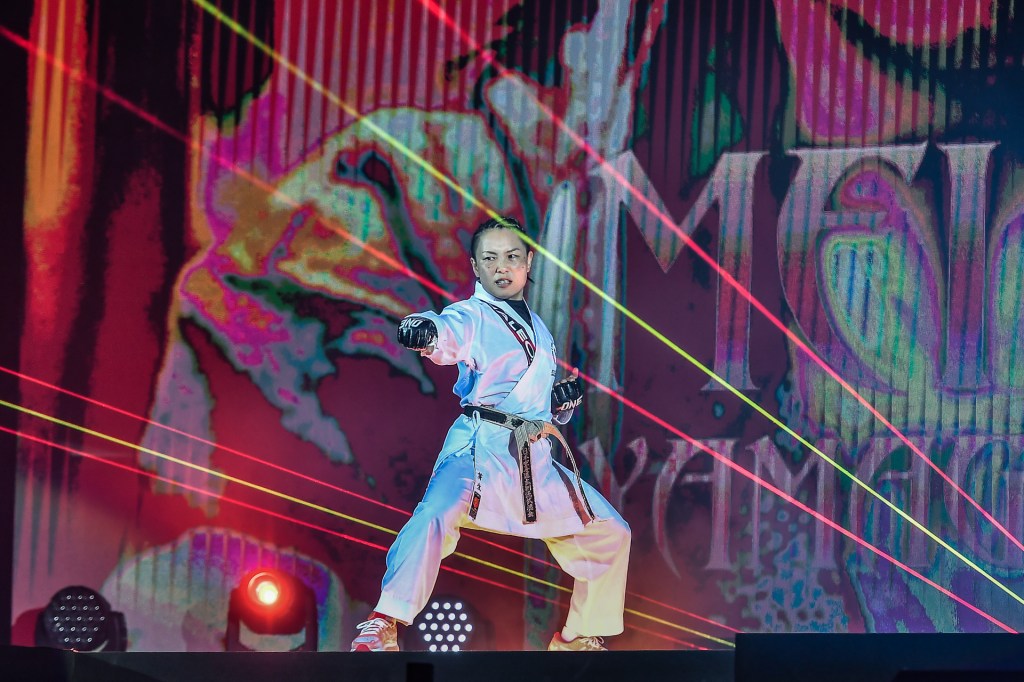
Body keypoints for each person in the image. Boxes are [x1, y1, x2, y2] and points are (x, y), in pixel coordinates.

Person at [350, 216, 631, 652]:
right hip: (480, 450)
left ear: (528, 262)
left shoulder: (538, 328)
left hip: (530, 460)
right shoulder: (473, 315)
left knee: (610, 532)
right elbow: (447, 332)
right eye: (491, 258)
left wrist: (557, 403)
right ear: (476, 267)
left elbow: (527, 398)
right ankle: (384, 620)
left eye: (512, 256)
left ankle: (576, 638)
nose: (502, 266)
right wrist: (425, 331)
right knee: (436, 514)